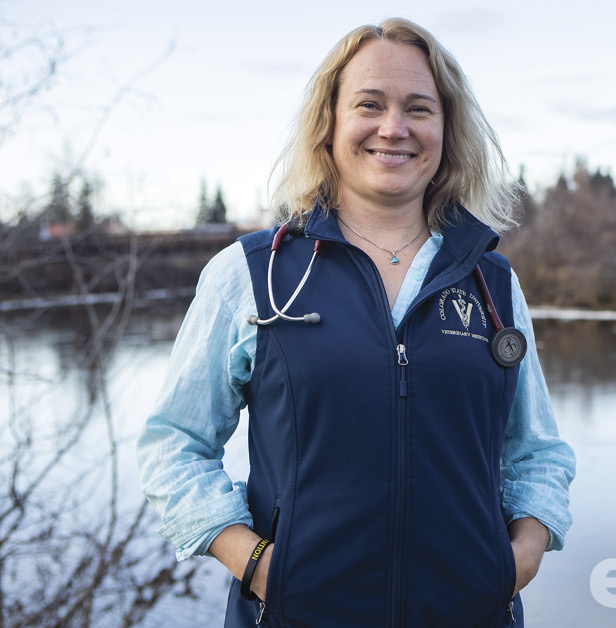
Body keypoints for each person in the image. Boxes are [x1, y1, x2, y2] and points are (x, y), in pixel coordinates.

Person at [137, 18, 575, 628]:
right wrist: (259, 565)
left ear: (446, 130)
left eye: (418, 108)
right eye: (369, 104)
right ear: (330, 123)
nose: (394, 128)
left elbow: (537, 452)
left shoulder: (491, 282)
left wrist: (519, 557)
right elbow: (173, 444)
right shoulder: (253, 274)